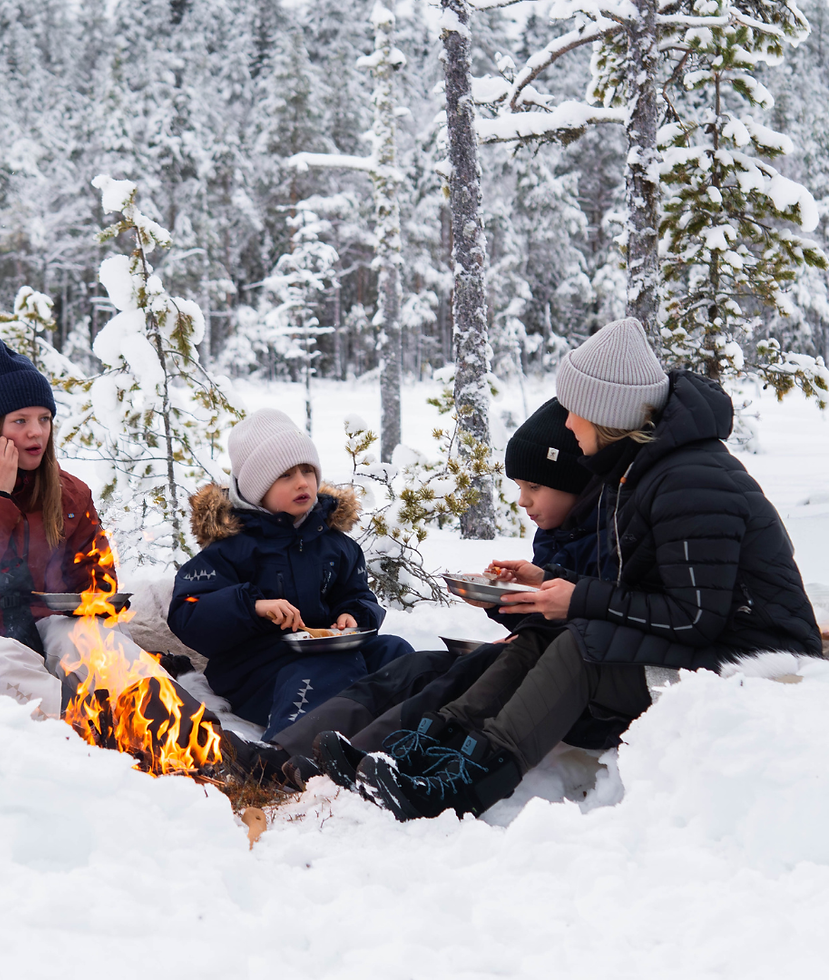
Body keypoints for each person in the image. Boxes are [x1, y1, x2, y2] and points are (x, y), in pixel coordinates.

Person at [349, 317, 823, 821]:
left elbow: (693, 616)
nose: (569, 424)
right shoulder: (645, 469)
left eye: (575, 411)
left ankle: (465, 785)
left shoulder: (692, 481)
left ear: (606, 413)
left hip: (755, 672)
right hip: (712, 649)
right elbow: (650, 596)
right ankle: (435, 751)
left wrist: (577, 599)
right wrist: (555, 585)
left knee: (581, 647)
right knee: (548, 636)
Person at [275, 396, 615, 790]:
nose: (523, 501)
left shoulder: (608, 539)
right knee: (412, 667)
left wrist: (525, 609)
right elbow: (544, 620)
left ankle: (361, 760)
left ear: (574, 481)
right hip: (537, 662)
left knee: (453, 679)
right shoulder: (557, 534)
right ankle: (287, 752)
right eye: (520, 487)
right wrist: (501, 603)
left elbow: (592, 621)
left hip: (571, 689)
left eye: (534, 487)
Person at [0, 335, 220, 735]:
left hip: (38, 629)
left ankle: (198, 736)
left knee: (94, 644)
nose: (36, 433)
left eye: (44, 419)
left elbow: (97, 585)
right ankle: (102, 743)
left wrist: (94, 606)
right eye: (20, 421)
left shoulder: (69, 492)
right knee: (3, 661)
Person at [167, 408, 413, 742]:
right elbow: (188, 611)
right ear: (257, 490)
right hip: (255, 672)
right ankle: (290, 752)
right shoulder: (230, 548)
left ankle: (415, 734)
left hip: (331, 653)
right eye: (285, 475)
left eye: (307, 471)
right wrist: (252, 606)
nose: (302, 482)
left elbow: (357, 595)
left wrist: (351, 615)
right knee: (327, 671)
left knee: (395, 652)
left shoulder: (336, 545)